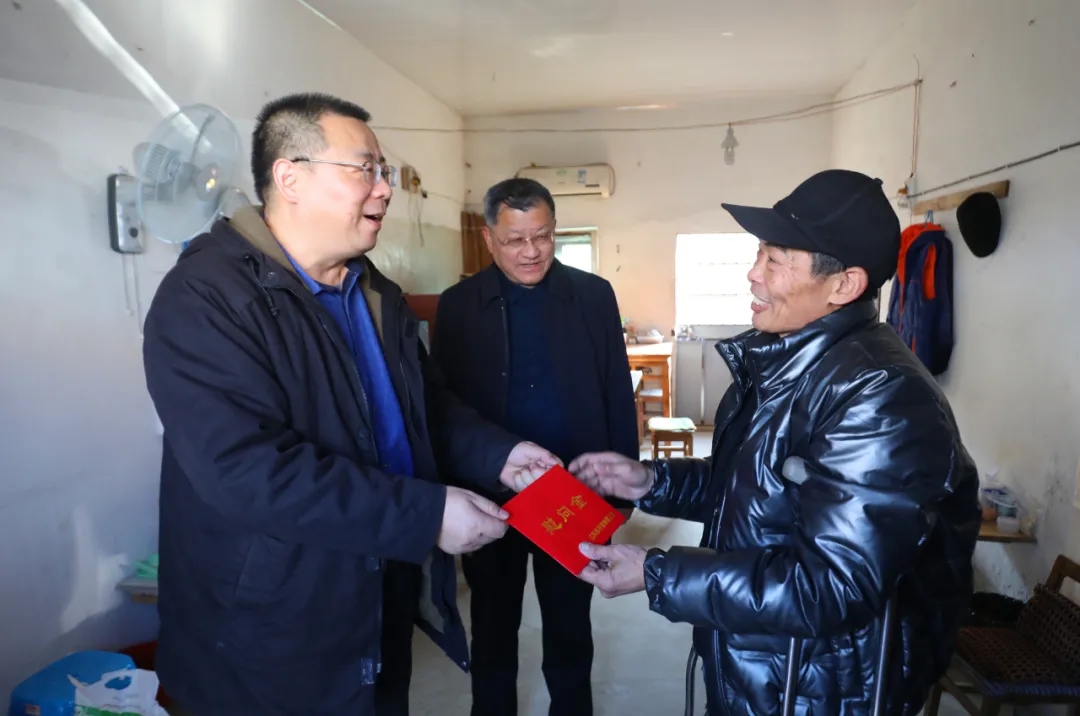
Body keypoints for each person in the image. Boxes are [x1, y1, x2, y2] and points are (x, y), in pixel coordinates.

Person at [141, 92, 559, 716]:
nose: (385, 189)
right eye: (365, 169)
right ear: (290, 178)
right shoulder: (206, 298)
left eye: (383, 171)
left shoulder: (373, 291)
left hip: (377, 593)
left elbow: (427, 409)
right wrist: (425, 515)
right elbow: (246, 472)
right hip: (270, 629)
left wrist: (501, 454)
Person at [568, 170, 981, 716]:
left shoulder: (881, 397)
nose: (753, 273)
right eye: (758, 253)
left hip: (818, 690)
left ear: (843, 285)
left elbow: (829, 586)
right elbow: (756, 492)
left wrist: (657, 572)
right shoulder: (788, 362)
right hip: (761, 663)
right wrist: (651, 481)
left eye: (776, 259)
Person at [431, 177, 638, 716]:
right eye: (515, 240)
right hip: (491, 495)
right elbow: (441, 406)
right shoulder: (458, 305)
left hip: (574, 492)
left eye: (542, 236)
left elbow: (617, 390)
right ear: (488, 238)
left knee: (570, 627)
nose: (531, 252)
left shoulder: (592, 296)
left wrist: (621, 494)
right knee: (492, 627)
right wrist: (447, 491)